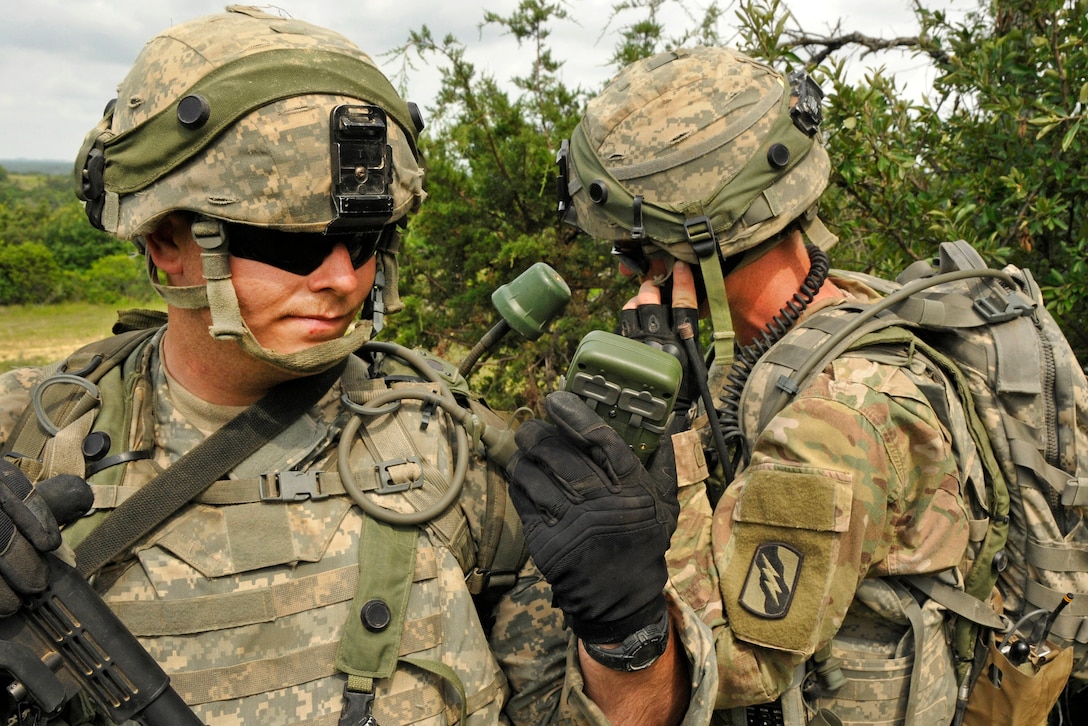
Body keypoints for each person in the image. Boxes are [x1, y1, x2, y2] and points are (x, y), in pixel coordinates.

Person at [0, 7, 718, 724]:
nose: (345, 279)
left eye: (366, 238)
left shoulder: (455, 451)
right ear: (166, 242)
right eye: (295, 244)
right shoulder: (28, 440)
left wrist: (630, 632)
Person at [521, 45, 1017, 725]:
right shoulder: (843, 312)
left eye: (638, 256)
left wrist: (669, 445)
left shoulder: (836, 417)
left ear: (688, 254)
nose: (633, 280)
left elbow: (740, 665)